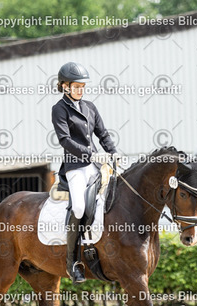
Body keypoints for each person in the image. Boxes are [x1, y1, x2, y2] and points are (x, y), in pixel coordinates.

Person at [51, 62, 119, 283]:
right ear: (65, 86)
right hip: (75, 167)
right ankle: (72, 263)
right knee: (79, 207)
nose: (81, 90)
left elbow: (102, 133)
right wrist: (90, 154)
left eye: (83, 86)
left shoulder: (90, 107)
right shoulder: (59, 109)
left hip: (96, 165)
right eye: (77, 86)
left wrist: (114, 152)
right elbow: (65, 140)